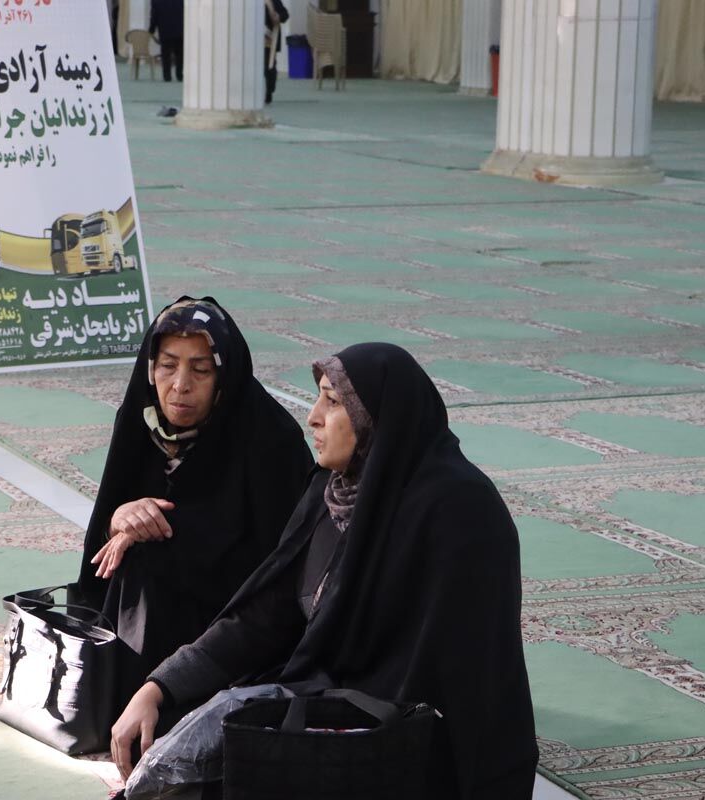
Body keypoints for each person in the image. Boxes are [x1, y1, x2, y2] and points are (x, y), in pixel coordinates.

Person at [111, 342, 538, 798]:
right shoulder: (335, 492)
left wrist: (291, 726)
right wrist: (158, 687)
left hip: (415, 749)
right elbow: (264, 616)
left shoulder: (459, 513)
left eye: (333, 402)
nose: (313, 417)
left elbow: (442, 686)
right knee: (172, 740)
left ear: (377, 418)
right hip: (331, 715)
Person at [76, 296, 313, 733]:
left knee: (150, 556)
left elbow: (281, 568)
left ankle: (162, 705)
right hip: (154, 612)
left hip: (237, 623)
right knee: (134, 555)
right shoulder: (140, 421)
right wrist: (121, 519)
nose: (180, 385)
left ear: (224, 376)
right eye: (168, 366)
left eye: (200, 370)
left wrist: (168, 531)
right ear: (150, 369)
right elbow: (102, 539)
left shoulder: (270, 439)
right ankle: (122, 702)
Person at [149, 0, 184, 83]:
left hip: (165, 31)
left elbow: (154, 16)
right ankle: (179, 74)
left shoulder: (156, 1)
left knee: (165, 55)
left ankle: (167, 76)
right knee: (180, 55)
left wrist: (151, 30)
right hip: (180, 30)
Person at [264, 0, 289, 104]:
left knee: (269, 67)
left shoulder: (274, 1)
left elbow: (285, 15)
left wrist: (278, 16)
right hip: (254, 40)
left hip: (270, 40)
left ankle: (269, 91)